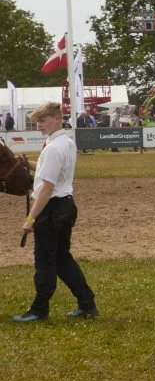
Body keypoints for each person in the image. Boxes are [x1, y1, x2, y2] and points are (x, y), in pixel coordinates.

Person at [13, 102, 98, 322]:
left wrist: (30, 218)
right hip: (65, 205)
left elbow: (47, 187)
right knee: (62, 259)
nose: (39, 125)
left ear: (58, 118)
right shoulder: (65, 142)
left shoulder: (52, 148)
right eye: (37, 121)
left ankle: (39, 310)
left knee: (45, 261)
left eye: (43, 120)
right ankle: (87, 304)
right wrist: (27, 163)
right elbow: (49, 171)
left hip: (51, 209)